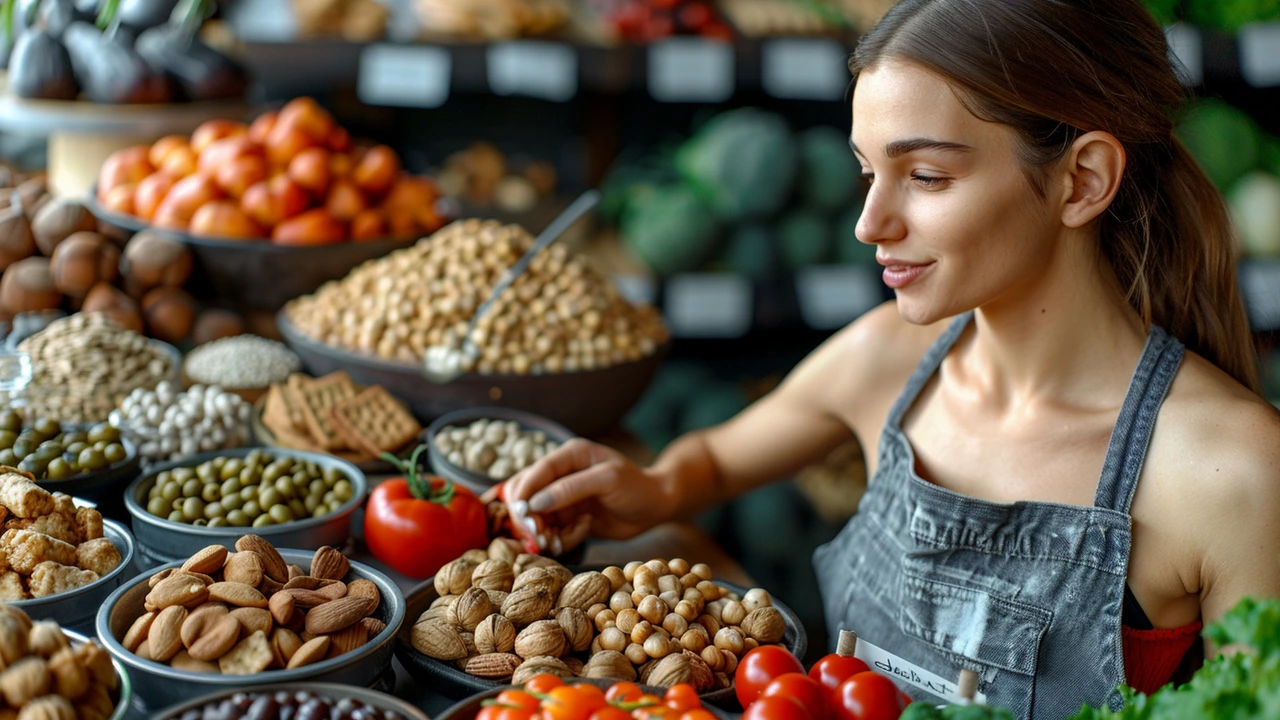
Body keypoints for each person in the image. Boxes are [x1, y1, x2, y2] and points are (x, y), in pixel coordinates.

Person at [502, 0, 1280, 716]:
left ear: (1082, 181)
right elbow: (710, 463)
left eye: (927, 176)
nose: (869, 224)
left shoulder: (1229, 469)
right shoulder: (885, 359)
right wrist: (654, 486)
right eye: (868, 171)